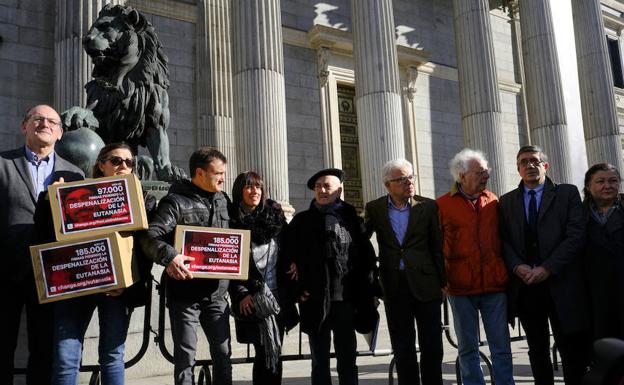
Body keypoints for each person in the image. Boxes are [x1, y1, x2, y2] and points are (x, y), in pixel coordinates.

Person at [49, 143, 156, 385]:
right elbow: (54, 234)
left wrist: (127, 283)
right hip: (76, 286)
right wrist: (53, 199)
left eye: (129, 162)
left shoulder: (144, 199)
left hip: (116, 292)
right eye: (117, 161)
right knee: (66, 359)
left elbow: (145, 247)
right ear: (101, 164)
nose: (123, 166)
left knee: (112, 356)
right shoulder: (75, 195)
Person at [0, 105, 84, 385]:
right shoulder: (2, 163)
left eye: (52, 121)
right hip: (6, 273)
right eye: (37, 119)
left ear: (60, 133)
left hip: (51, 277)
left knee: (43, 350)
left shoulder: (74, 175)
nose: (44, 124)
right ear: (24, 126)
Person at [140, 147, 232, 385]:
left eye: (224, 172)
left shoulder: (223, 200)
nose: (223, 177)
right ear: (200, 173)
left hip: (217, 294)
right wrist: (170, 257)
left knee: (223, 353)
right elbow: (150, 236)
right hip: (185, 295)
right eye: (218, 173)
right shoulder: (175, 201)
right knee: (185, 358)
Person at [499, 145, 590, 385]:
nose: (530, 165)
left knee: (569, 347)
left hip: (562, 283)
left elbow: (575, 236)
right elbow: (503, 241)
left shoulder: (566, 194)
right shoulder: (506, 202)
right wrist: (517, 266)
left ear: (545, 166)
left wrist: (547, 268)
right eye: (524, 162)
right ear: (518, 169)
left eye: (535, 161)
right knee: (536, 349)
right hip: (527, 287)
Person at [284, 168, 378, 385]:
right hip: (314, 301)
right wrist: (297, 290)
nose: (322, 190)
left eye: (327, 186)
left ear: (340, 190)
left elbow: (366, 259)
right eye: (318, 187)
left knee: (347, 358)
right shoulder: (302, 221)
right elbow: (288, 260)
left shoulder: (352, 220)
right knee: (319, 360)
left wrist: (369, 291)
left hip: (346, 301)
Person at [436, 149, 514, 385]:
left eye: (486, 171)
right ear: (462, 176)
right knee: (467, 347)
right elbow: (436, 245)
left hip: (494, 285)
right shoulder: (442, 205)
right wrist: (442, 281)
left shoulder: (494, 200)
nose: (486, 176)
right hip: (460, 287)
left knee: (501, 345)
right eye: (480, 172)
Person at [365, 159, 446, 385]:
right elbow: (362, 243)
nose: (409, 182)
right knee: (403, 347)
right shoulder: (375, 208)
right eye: (401, 179)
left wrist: (443, 282)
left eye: (411, 177)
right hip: (394, 285)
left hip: (426, 285)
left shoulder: (428, 206)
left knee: (432, 345)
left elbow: (437, 247)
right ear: (387, 184)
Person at [228, 171, 299, 385]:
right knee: (263, 349)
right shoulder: (230, 221)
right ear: (240, 190)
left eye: (258, 187)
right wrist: (241, 294)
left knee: (274, 350)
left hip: (277, 297)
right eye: (249, 187)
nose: (255, 191)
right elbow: (228, 263)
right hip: (251, 296)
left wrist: (295, 262)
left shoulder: (274, 218)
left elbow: (289, 247)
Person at [581, 163, 624, 341]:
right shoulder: (577, 213)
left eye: (613, 181)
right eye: (600, 181)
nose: (608, 186)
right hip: (593, 292)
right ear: (588, 187)